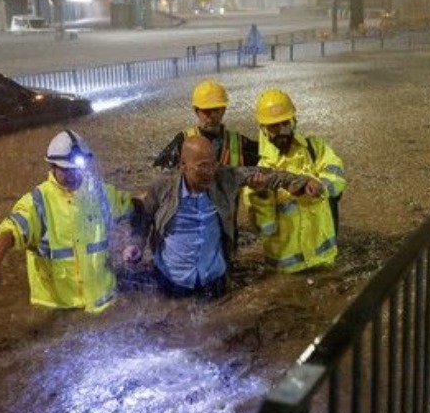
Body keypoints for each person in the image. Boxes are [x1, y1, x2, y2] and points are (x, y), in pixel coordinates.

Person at [0, 129, 141, 313]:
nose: (73, 175)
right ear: (52, 166)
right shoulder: (37, 202)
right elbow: (10, 232)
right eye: (66, 170)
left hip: (103, 302)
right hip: (58, 308)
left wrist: (133, 242)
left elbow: (133, 207)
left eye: (77, 169)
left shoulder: (100, 193)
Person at [133, 136, 312, 298]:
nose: (210, 172)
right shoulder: (162, 187)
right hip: (171, 279)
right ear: (183, 165)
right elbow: (143, 216)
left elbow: (266, 174)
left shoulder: (224, 178)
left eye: (213, 164)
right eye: (202, 166)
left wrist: (301, 182)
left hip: (214, 279)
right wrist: (136, 245)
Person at [245, 89, 346, 272]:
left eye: (285, 123)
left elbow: (337, 176)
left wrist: (320, 185)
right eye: (274, 127)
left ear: (294, 121)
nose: (282, 131)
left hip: (324, 260)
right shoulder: (260, 173)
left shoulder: (316, 148)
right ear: (264, 130)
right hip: (287, 272)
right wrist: (261, 195)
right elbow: (264, 229)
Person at [153, 79, 259, 170]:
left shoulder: (238, 142)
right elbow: (164, 172)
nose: (211, 115)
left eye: (216, 110)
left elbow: (265, 158)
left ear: (223, 110)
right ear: (196, 111)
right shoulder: (184, 140)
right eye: (206, 111)